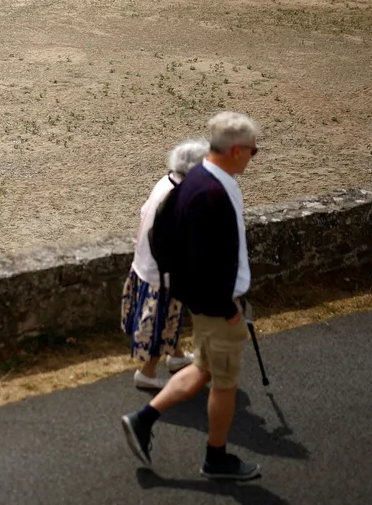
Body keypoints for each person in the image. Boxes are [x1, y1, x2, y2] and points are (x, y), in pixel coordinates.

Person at [121, 111, 262, 481]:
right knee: (224, 382)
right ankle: (216, 457)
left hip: (214, 303)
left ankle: (143, 420)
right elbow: (202, 261)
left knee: (202, 369)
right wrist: (226, 308)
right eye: (252, 151)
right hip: (219, 309)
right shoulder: (210, 192)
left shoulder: (198, 180)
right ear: (235, 150)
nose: (253, 156)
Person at [121, 138, 210, 390]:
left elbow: (144, 212)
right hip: (162, 272)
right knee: (160, 322)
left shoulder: (167, 182)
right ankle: (147, 373)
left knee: (171, 316)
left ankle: (177, 356)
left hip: (146, 261)